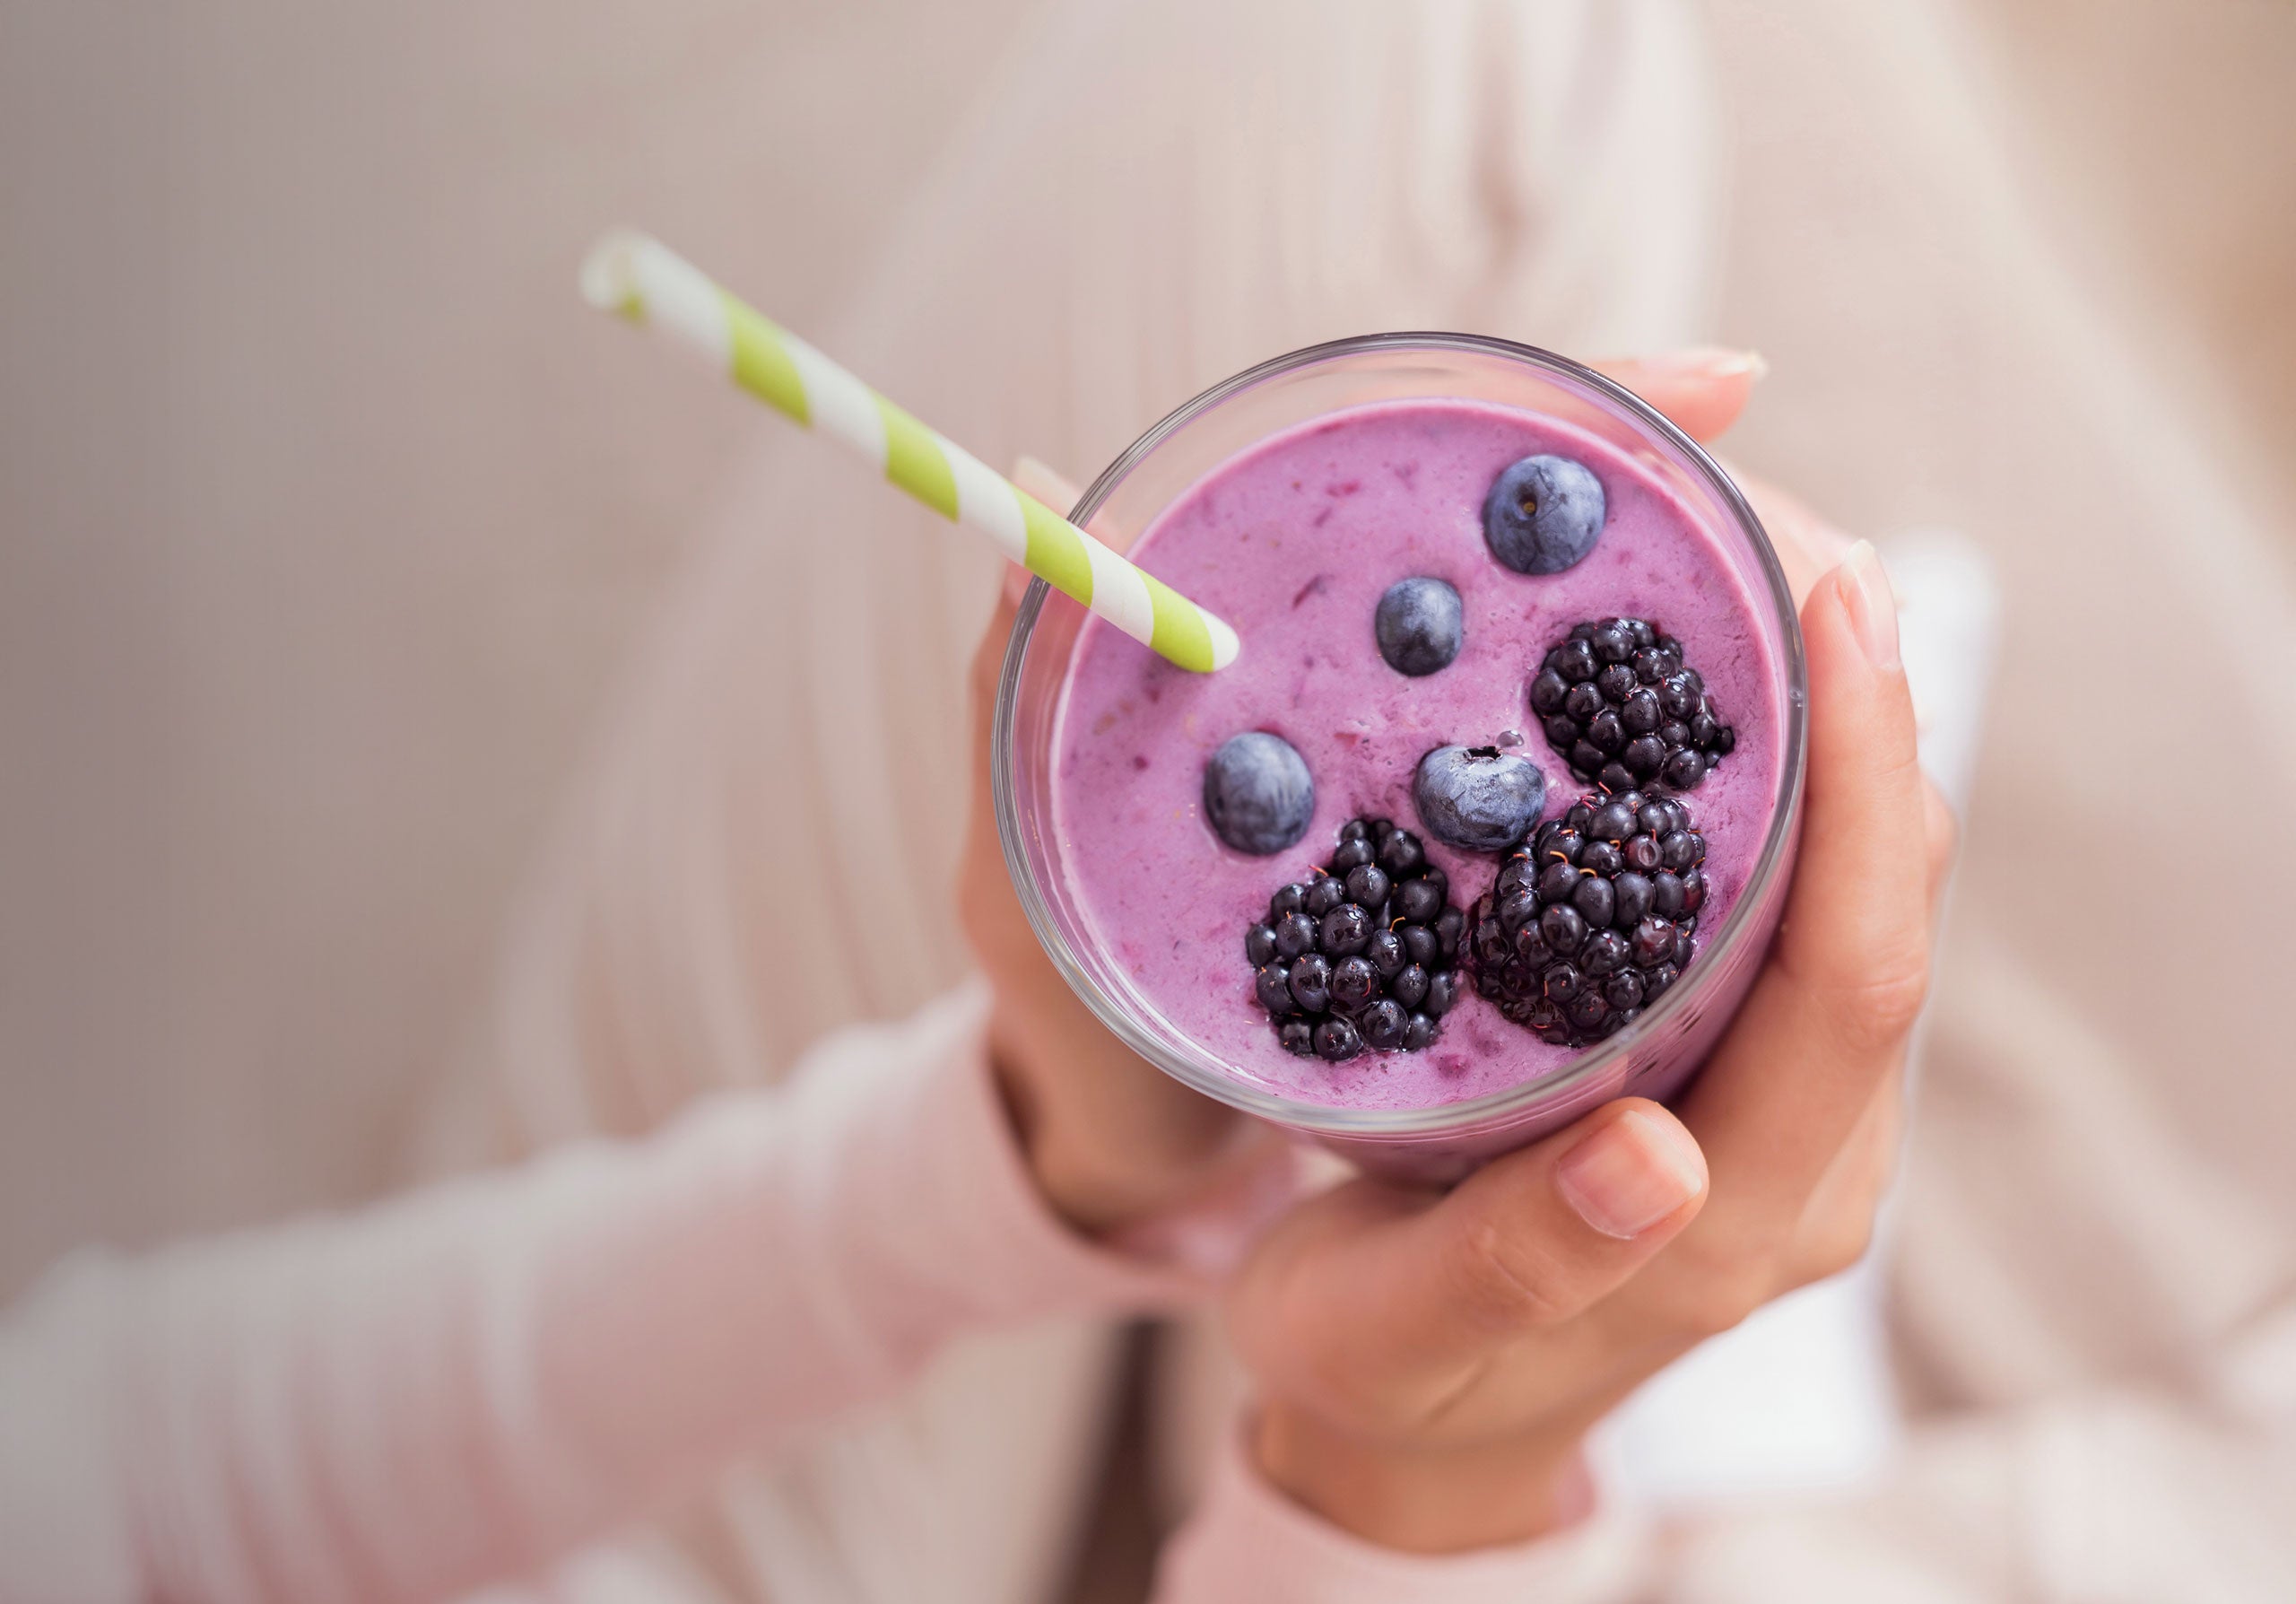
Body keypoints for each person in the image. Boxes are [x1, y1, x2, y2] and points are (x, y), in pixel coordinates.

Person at [0, 346, 1948, 1600]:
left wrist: (1044, 1139)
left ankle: (1261, 1252)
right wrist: (1387, 1496)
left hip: (601, 1454)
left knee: (1489, 43)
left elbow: (160, 1479)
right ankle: (1592, 1412)